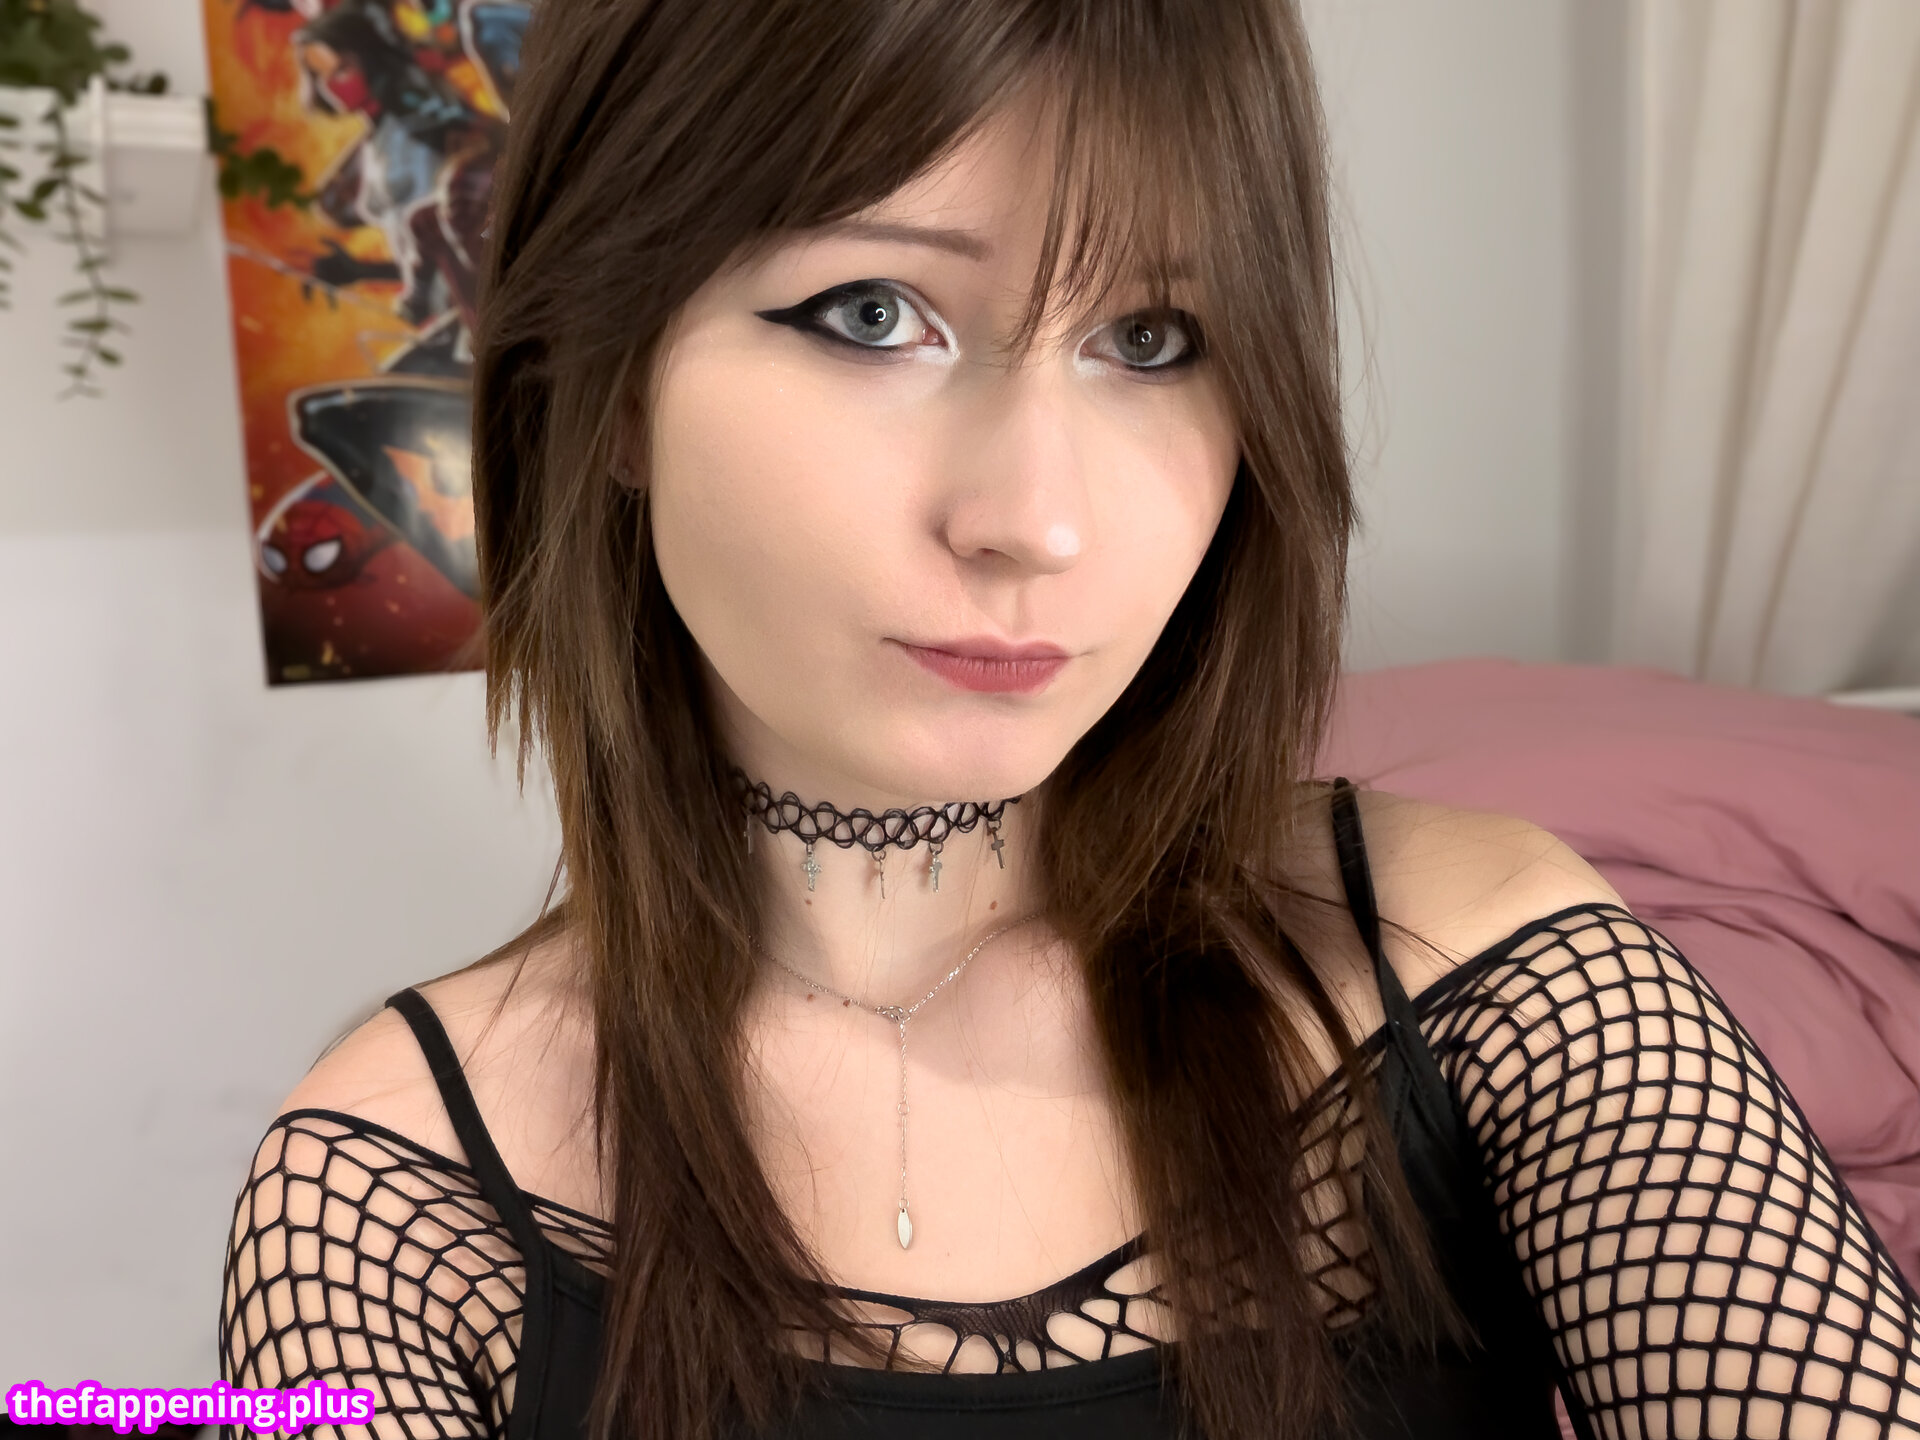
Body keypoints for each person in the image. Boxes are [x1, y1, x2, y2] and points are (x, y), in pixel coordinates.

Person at [217, 1, 1920, 1437]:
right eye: (875, 315)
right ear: (607, 393)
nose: (1037, 519)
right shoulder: (386, 1199)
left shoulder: (1487, 967)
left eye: (1153, 338)